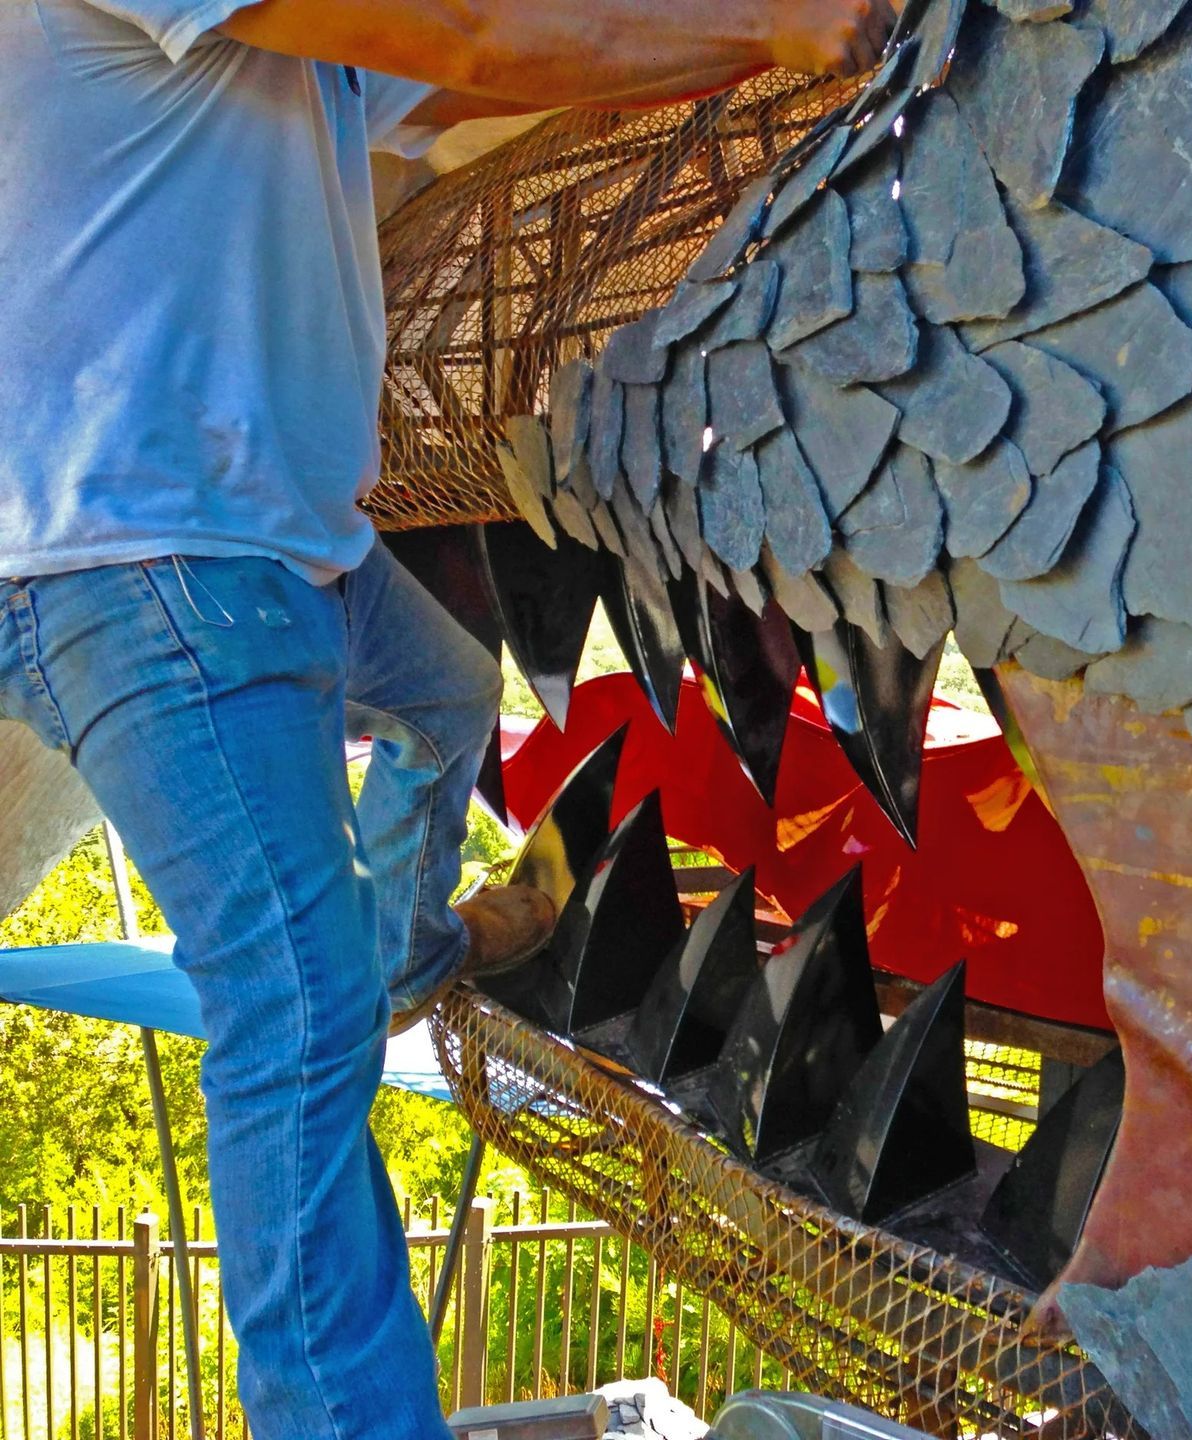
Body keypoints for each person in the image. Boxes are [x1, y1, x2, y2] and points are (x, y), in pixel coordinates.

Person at [0, 1, 894, 1435]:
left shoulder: (284, 71)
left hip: (284, 548)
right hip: (154, 567)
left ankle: (410, 944)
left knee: (448, 693)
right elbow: (482, 31)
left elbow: (479, 76)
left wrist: (728, 57)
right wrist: (780, 23)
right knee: (292, 1016)